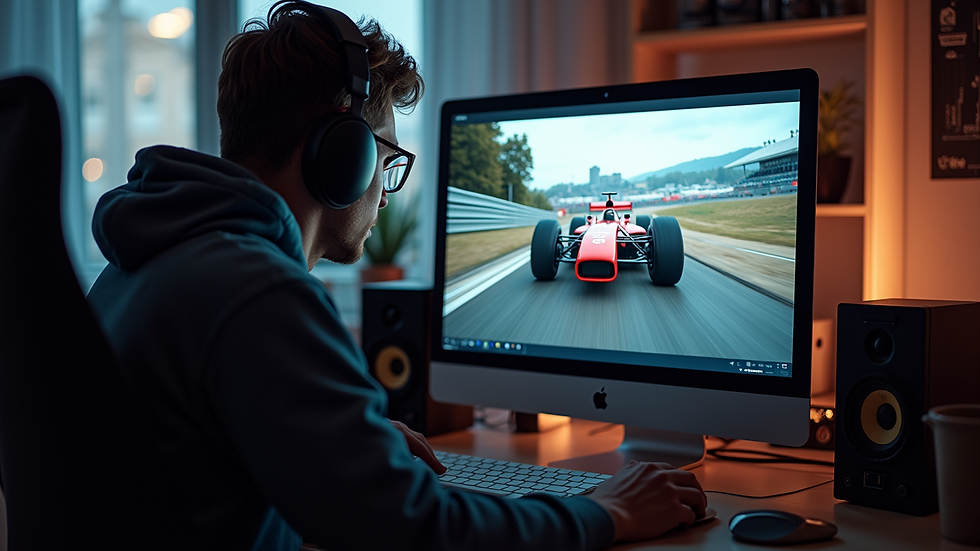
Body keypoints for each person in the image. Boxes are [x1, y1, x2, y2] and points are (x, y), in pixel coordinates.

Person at [85, 2, 707, 550]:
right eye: (387, 158)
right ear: (342, 153)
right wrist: (602, 513)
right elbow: (414, 529)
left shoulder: (141, 263)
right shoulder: (258, 291)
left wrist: (340, 447)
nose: (386, 194)